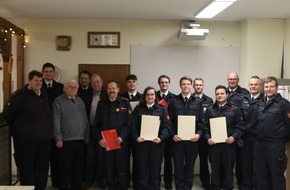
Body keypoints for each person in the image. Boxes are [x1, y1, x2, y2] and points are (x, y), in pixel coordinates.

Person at [3, 70, 52, 190]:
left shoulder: (43, 94)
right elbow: (7, 115)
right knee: (27, 170)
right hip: (26, 143)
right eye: (36, 80)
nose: (38, 83)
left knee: (42, 169)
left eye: (40, 81)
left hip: (43, 141)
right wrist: (20, 132)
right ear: (29, 81)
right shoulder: (19, 96)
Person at [204, 85, 244, 190]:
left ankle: (228, 187)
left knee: (228, 169)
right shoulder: (209, 110)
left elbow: (240, 127)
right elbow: (205, 127)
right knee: (215, 168)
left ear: (227, 95)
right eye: (217, 94)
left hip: (229, 145)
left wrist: (233, 137)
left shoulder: (235, 109)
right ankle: (215, 186)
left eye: (222, 93)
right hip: (214, 145)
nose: (219, 95)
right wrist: (208, 138)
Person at [168, 76, 204, 190]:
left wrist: (198, 134)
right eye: (183, 84)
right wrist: (173, 135)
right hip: (177, 140)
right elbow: (169, 121)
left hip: (192, 140)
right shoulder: (173, 101)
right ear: (180, 86)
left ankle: (188, 187)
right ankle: (179, 187)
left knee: (190, 166)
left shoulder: (198, 102)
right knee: (178, 166)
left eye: (188, 84)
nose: (186, 86)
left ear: (191, 85)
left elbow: (202, 122)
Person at [52, 79, 90, 190]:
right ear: (64, 89)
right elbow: (56, 121)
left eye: (75, 87)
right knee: (65, 168)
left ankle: (76, 187)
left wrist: (86, 135)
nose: (73, 88)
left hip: (80, 140)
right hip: (65, 141)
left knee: (78, 168)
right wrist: (58, 138)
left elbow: (85, 120)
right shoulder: (58, 101)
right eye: (70, 86)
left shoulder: (80, 101)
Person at [131, 86, 171, 190]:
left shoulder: (162, 109)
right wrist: (136, 137)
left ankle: (154, 187)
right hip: (142, 143)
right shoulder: (138, 109)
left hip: (157, 144)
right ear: (144, 96)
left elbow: (167, 127)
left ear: (155, 96)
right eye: (148, 94)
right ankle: (142, 187)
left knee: (155, 167)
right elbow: (133, 126)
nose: (150, 96)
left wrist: (161, 138)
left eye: (152, 94)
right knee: (142, 167)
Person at [254, 76, 290, 190]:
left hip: (275, 145)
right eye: (266, 86)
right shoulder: (260, 103)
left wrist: (283, 139)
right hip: (260, 144)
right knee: (261, 176)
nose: (268, 89)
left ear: (276, 87)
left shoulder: (284, 104)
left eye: (271, 86)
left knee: (276, 176)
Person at [96, 80, 132, 190]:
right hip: (107, 141)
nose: (111, 90)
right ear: (106, 90)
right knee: (109, 166)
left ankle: (122, 187)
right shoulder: (101, 103)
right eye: (109, 88)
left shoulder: (125, 102)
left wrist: (122, 136)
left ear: (118, 90)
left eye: (113, 88)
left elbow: (129, 123)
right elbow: (96, 124)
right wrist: (99, 139)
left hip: (121, 140)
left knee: (122, 167)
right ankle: (111, 186)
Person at [80, 74, 108, 189]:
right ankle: (88, 180)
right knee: (90, 156)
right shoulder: (85, 95)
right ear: (91, 84)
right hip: (90, 130)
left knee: (102, 157)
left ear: (102, 83)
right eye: (94, 82)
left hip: (104, 131)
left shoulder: (107, 95)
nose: (96, 84)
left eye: (98, 82)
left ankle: (100, 180)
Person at [41, 62, 64, 188]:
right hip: (43, 127)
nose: (49, 74)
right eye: (46, 71)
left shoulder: (60, 87)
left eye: (51, 72)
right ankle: (42, 184)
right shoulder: (38, 86)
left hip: (57, 127)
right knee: (43, 160)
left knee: (57, 159)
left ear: (54, 73)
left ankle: (57, 183)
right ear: (43, 72)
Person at [239, 76, 264, 190]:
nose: (253, 86)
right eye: (251, 84)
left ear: (260, 86)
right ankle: (246, 186)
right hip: (245, 137)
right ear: (248, 86)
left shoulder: (264, 100)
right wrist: (239, 137)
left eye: (256, 84)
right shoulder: (243, 99)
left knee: (259, 164)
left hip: (258, 137)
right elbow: (239, 118)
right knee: (245, 164)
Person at [226, 71, 249, 188]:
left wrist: (240, 136)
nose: (232, 81)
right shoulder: (223, 92)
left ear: (238, 80)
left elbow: (246, 115)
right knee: (227, 162)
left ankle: (241, 183)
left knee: (241, 162)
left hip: (239, 133)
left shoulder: (244, 93)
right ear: (227, 80)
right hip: (226, 134)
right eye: (230, 79)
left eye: (234, 79)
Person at [120, 74, 142, 189]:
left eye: (133, 82)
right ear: (126, 84)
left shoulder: (142, 97)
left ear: (136, 83)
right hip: (124, 134)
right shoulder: (121, 97)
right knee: (124, 160)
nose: (131, 84)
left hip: (138, 134)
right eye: (129, 82)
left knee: (138, 159)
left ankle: (137, 183)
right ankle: (125, 183)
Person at [193, 78, 213, 190]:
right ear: (193, 86)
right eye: (196, 85)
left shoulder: (209, 100)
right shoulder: (189, 99)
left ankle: (205, 182)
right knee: (188, 159)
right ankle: (186, 180)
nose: (198, 87)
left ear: (203, 86)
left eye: (200, 85)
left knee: (204, 159)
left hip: (204, 135)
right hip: (191, 134)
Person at [156, 75, 176, 190]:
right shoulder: (153, 95)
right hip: (156, 133)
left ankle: (168, 182)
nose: (164, 84)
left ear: (169, 83)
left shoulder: (174, 97)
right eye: (162, 82)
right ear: (159, 84)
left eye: (166, 82)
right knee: (157, 160)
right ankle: (156, 181)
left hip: (169, 133)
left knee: (168, 160)